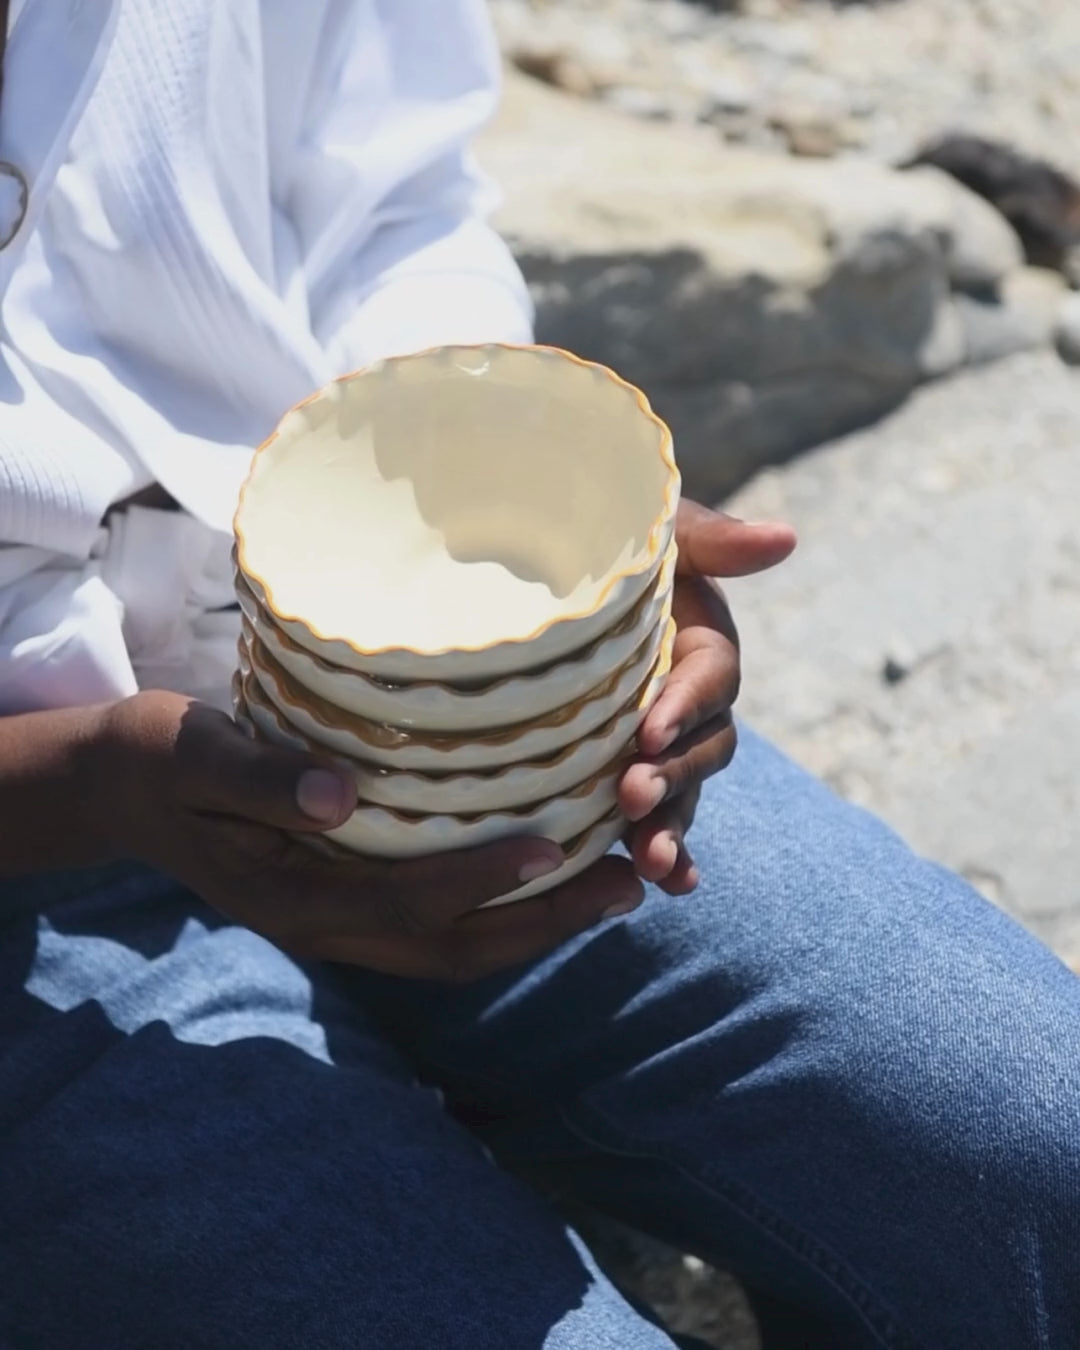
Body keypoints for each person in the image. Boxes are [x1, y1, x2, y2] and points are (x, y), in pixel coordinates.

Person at [0, 4, 1076, 1348]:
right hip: (27, 895)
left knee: (1044, 1148)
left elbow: (393, 197)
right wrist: (91, 784)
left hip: (455, 745)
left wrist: (532, 513)